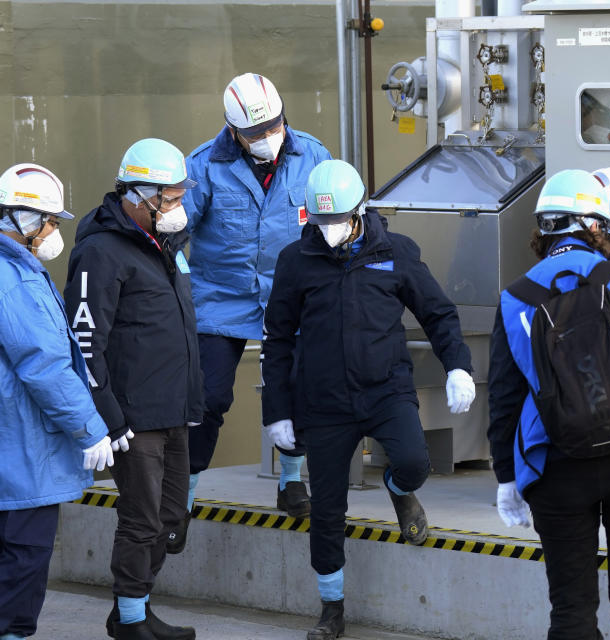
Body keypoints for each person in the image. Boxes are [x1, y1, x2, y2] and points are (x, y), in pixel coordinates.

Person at [260, 159, 476, 640]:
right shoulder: (296, 262)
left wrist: (458, 364)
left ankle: (401, 491)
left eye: (337, 220)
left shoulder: (396, 252)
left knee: (414, 461)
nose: (328, 231)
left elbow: (438, 314)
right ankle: (331, 608)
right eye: (320, 222)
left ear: (360, 210)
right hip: (324, 403)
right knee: (327, 511)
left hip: (385, 391)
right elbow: (278, 339)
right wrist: (276, 410)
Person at [488, 168, 610, 640]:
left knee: (572, 608)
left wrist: (505, 476)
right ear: (596, 226)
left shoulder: (515, 298)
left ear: (544, 228)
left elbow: (503, 398)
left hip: (556, 464)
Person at [178, 72, 333, 543]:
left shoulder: (314, 156)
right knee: (207, 398)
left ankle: (291, 482)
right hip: (219, 300)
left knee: (297, 388)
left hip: (289, 297)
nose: (268, 139)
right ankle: (179, 501)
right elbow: (175, 230)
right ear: (232, 132)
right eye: (254, 134)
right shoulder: (203, 167)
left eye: (274, 127)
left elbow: (333, 217)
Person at [64, 139, 203, 640]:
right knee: (141, 520)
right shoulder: (101, 252)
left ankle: (133, 606)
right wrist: (107, 413)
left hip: (175, 410)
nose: (177, 205)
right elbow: (84, 341)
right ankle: (130, 621)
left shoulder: (164, 247)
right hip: (134, 418)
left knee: (171, 519)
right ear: (139, 196)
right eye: (169, 197)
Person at [0, 163, 115, 640]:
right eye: (49, 220)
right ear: (22, 219)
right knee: (24, 554)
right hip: (19, 446)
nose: (53, 232)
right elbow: (44, 364)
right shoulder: (14, 277)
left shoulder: (22, 268)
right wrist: (89, 428)